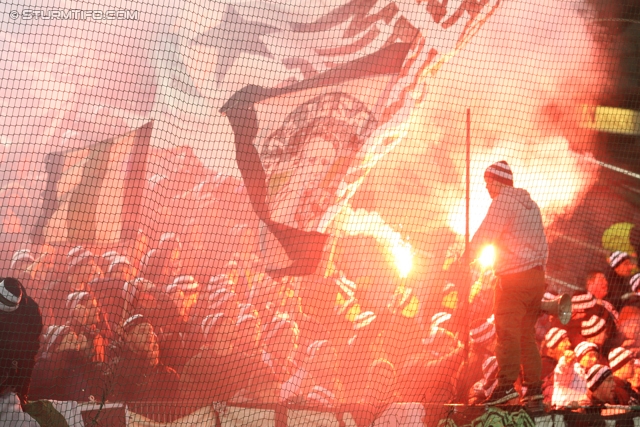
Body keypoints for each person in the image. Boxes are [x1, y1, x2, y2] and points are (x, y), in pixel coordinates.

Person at [464, 161, 548, 408]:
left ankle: (505, 388)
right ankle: (534, 390)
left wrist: (466, 257)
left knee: (506, 333)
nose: (488, 188)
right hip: (536, 279)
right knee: (526, 335)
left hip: (513, 279)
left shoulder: (503, 201)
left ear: (499, 182)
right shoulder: (531, 205)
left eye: (489, 182)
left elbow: (485, 235)